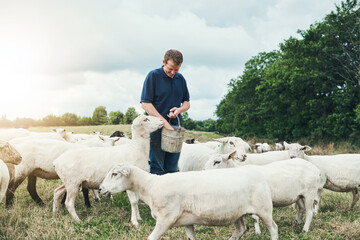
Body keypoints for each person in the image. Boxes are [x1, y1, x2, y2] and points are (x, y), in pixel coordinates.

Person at [140, 49, 190, 175]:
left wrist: (179, 110)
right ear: (164, 62)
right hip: (155, 129)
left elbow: (187, 103)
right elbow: (145, 104)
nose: (173, 73)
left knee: (172, 169)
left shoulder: (180, 79)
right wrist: (163, 122)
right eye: (170, 69)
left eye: (177, 70)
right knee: (157, 168)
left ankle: (170, 194)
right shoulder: (153, 76)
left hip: (174, 129)